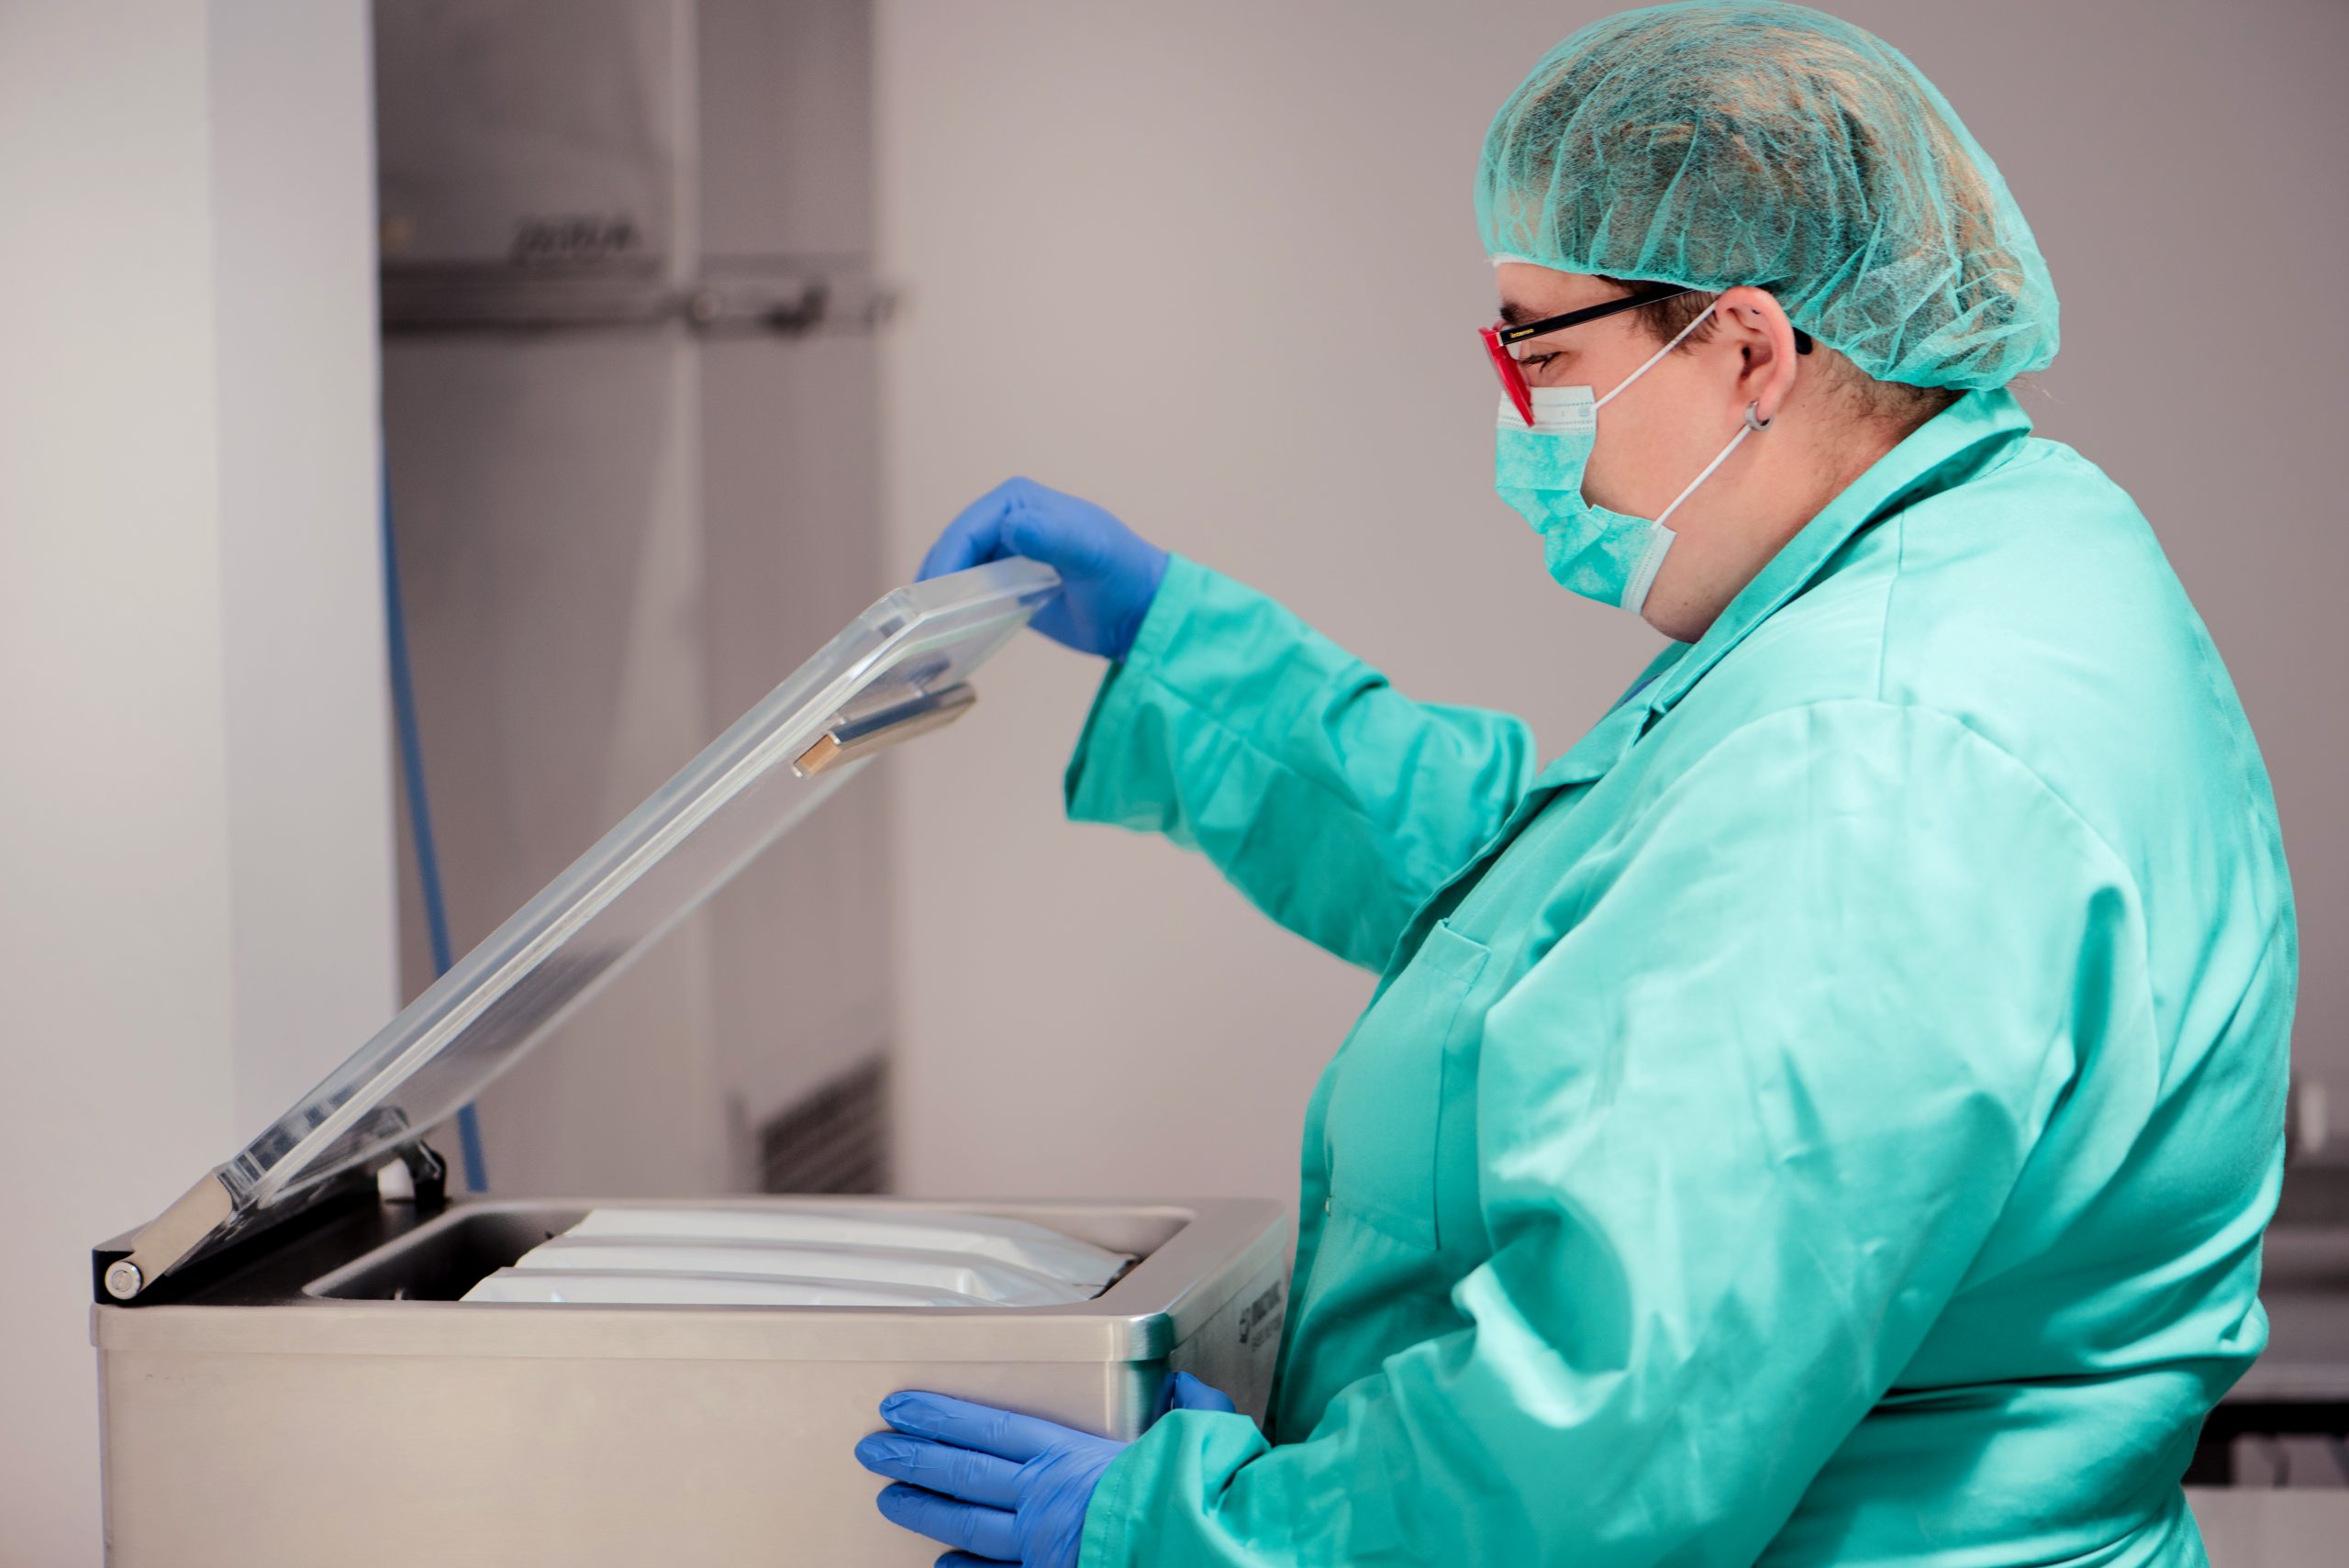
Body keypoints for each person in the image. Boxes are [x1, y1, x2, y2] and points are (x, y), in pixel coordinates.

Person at [852, 4, 2297, 1564]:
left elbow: (1602, 1451)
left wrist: (1195, 1532)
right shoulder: (1993, 548)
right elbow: (1588, 910)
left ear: (1748, 347)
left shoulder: (1871, 759)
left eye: (1538, 351)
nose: (1516, 417)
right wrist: (1187, 650)